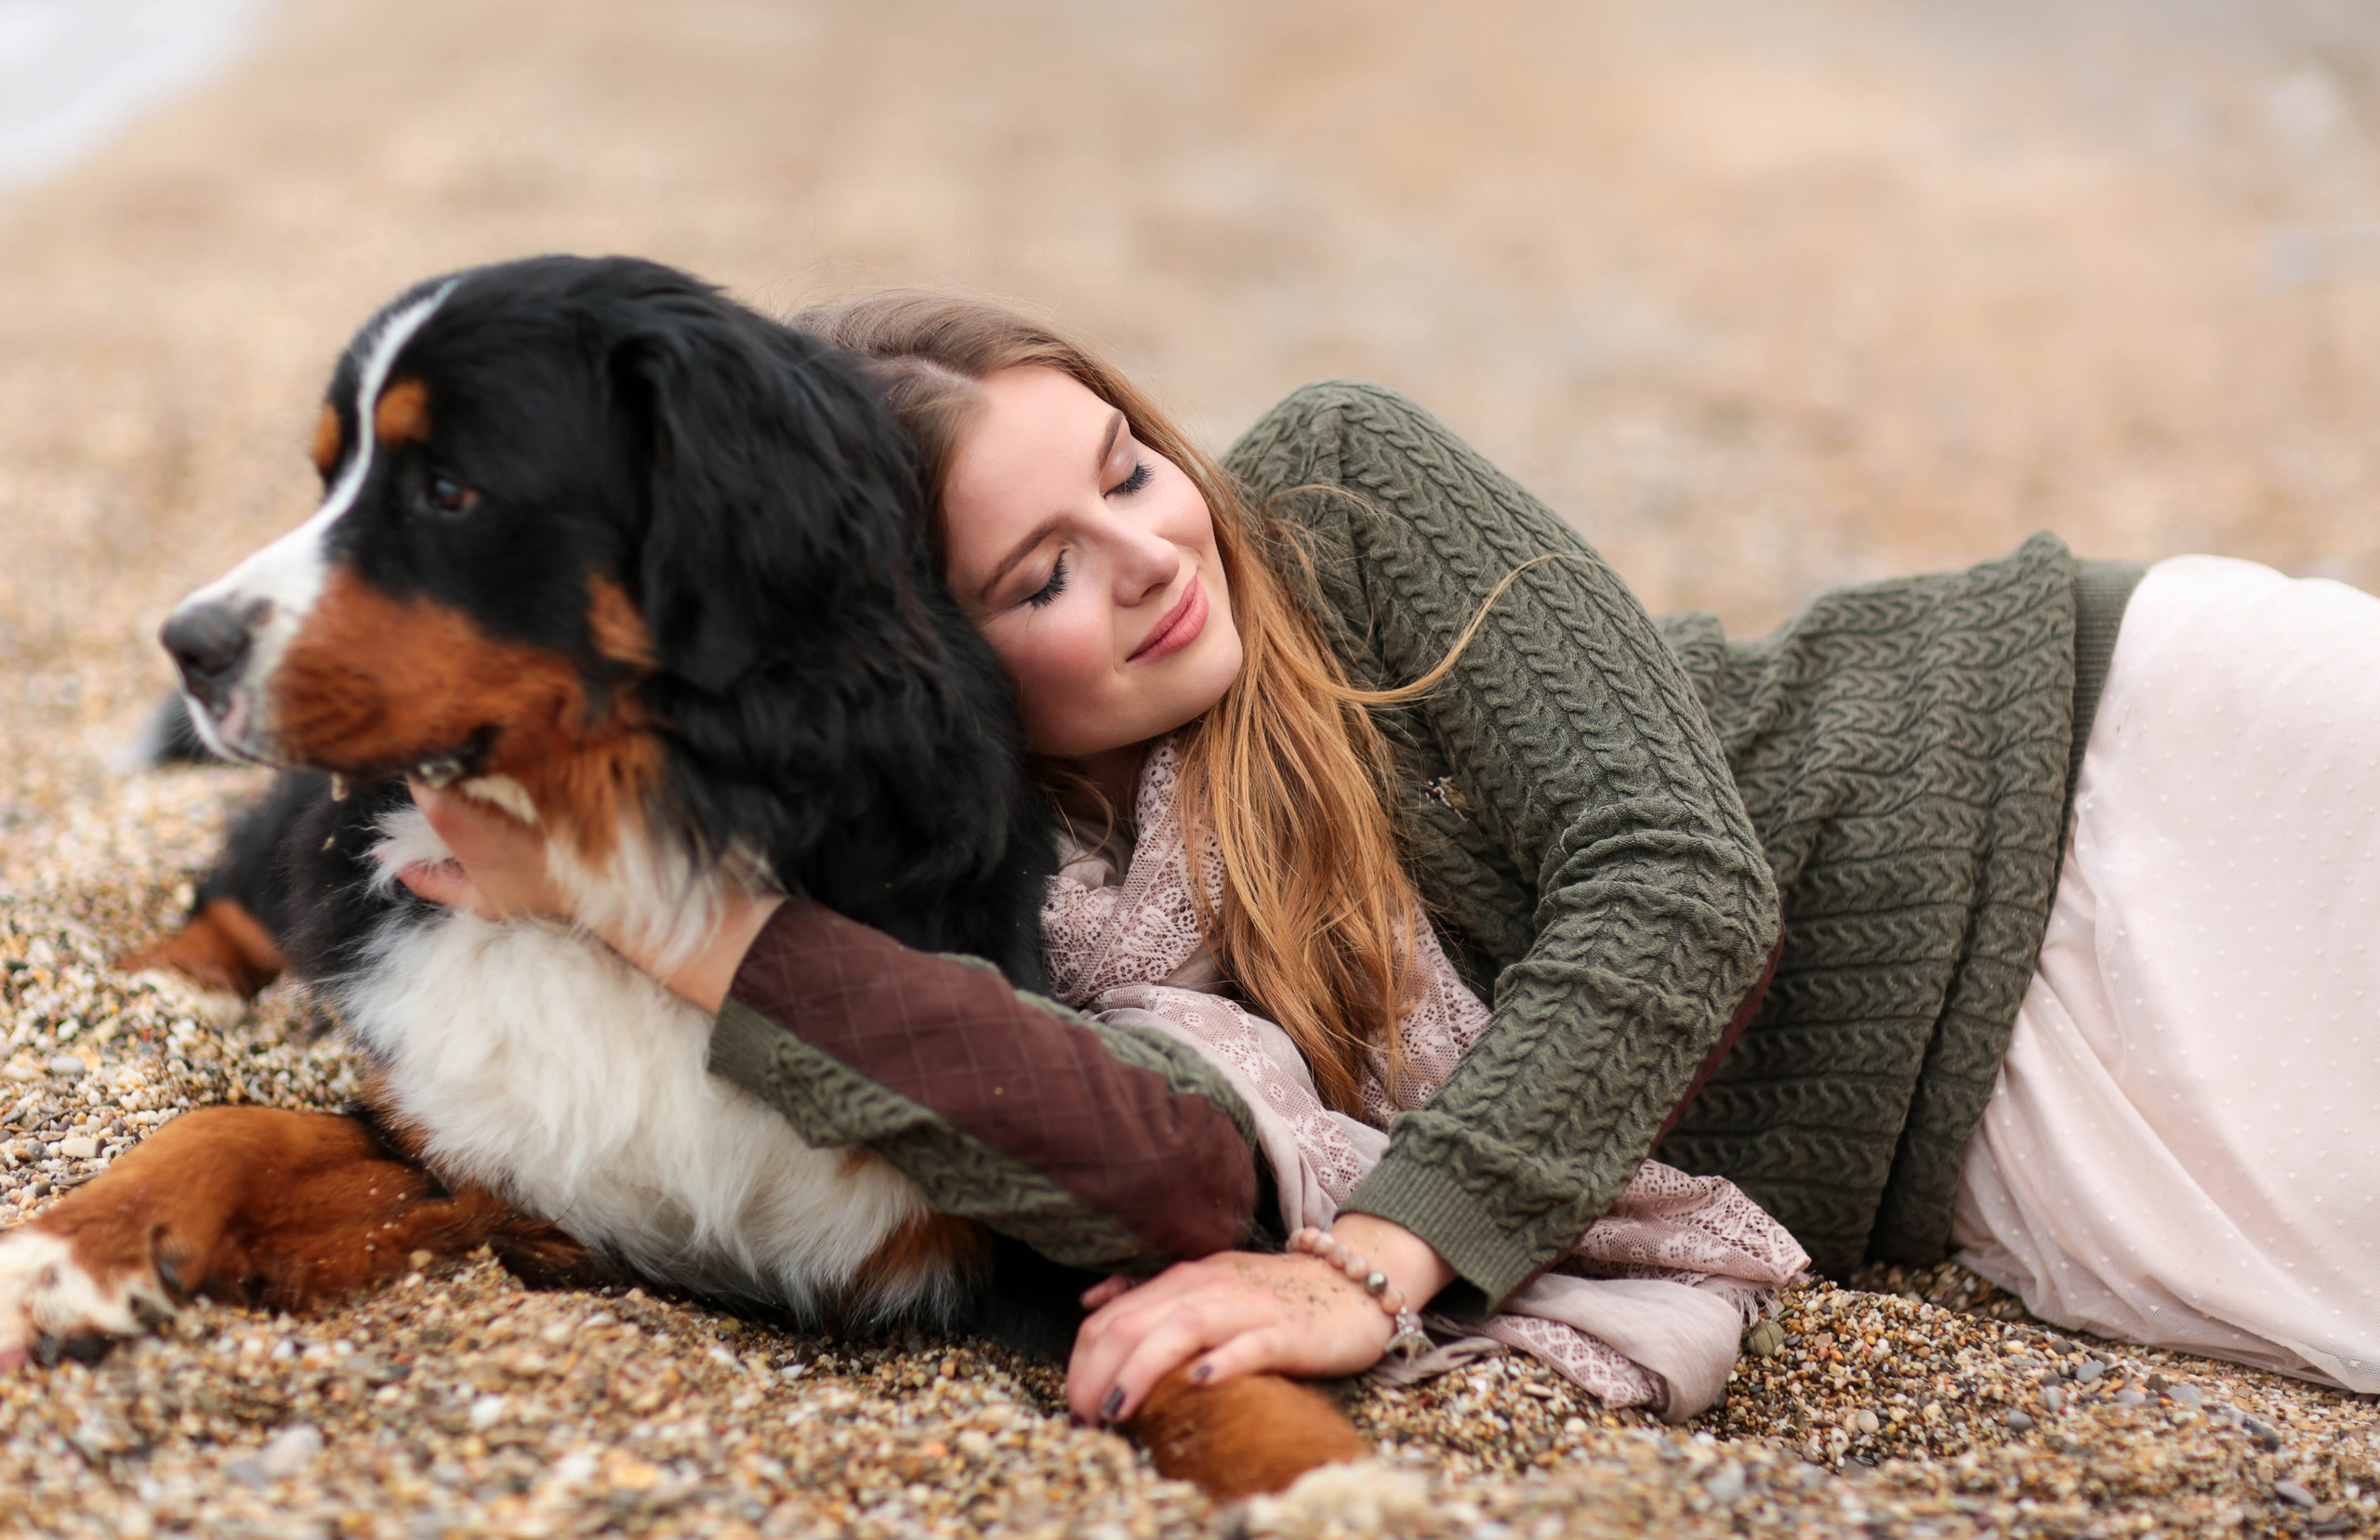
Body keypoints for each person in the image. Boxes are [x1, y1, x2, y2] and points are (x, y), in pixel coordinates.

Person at [398, 292, 2380, 1419]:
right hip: (2011, 1149)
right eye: (1043, 573)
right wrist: (636, 909)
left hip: (2120, 764)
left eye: (1125, 467)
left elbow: (1677, 880)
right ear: (934, 670)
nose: (1153, 553)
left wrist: (1376, 1252)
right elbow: (1071, 1130)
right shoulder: (1053, 932)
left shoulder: (1334, 491)